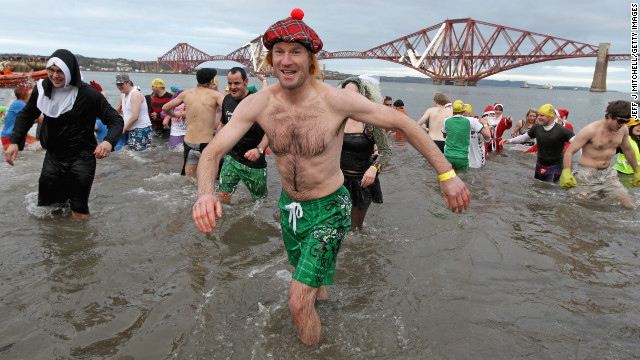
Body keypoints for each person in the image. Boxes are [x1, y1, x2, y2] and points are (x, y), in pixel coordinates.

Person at [191, 9, 470, 346]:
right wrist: (206, 193)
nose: (286, 59)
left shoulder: (337, 101)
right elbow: (212, 152)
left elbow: (404, 124)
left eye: (296, 51)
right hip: (290, 209)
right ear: (270, 58)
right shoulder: (258, 103)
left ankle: (312, 347)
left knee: (296, 300)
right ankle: (325, 316)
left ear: (311, 59)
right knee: (312, 287)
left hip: (330, 208)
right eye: (279, 52)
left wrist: (447, 174)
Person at [5, 49, 123, 219]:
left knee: (79, 213)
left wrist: (108, 142)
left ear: (70, 72)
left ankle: (81, 243)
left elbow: (115, 120)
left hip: (81, 158)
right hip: (53, 157)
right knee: (46, 210)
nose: (54, 76)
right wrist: (15, 142)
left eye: (60, 71)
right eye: (51, 71)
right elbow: (26, 115)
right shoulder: (42, 89)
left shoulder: (88, 94)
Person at [560, 101, 640, 209]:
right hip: (586, 175)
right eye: (620, 121)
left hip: (607, 174)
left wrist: (636, 170)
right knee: (578, 207)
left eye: (626, 122)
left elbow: (627, 149)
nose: (622, 125)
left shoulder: (623, 130)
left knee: (630, 205)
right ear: (610, 116)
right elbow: (570, 151)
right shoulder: (591, 130)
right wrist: (566, 172)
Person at [338, 76, 391, 229]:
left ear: (364, 96)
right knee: (334, 226)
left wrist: (374, 168)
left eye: (354, 94)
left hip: (360, 182)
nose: (349, 98)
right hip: (335, 181)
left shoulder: (371, 122)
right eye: (345, 94)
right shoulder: (338, 119)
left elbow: (385, 151)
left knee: (354, 229)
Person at [217, 67, 269, 203]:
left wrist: (259, 150)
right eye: (229, 83)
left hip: (254, 161)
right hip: (232, 158)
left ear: (245, 81)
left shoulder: (257, 102)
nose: (232, 87)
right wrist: (216, 146)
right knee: (222, 195)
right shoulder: (227, 100)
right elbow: (223, 124)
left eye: (236, 83)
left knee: (259, 201)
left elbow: (271, 132)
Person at [162, 68, 225, 177]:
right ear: (211, 82)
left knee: (189, 182)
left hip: (189, 144)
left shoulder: (186, 94)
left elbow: (165, 107)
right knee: (212, 179)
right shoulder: (216, 95)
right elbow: (231, 111)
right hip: (206, 144)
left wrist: (175, 115)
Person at [500, 104, 574, 182]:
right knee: (537, 189)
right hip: (539, 166)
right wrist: (510, 141)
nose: (538, 117)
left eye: (542, 115)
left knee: (549, 190)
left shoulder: (562, 130)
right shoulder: (537, 127)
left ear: (551, 116)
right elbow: (525, 137)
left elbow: (578, 143)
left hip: (554, 167)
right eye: (538, 115)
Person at [442, 100, 491, 170]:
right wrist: (485, 123)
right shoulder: (472, 121)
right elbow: (488, 135)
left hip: (448, 156)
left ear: (453, 112)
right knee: (464, 178)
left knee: (447, 178)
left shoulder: (446, 120)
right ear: (462, 112)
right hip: (462, 158)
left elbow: (444, 136)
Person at [117, 73, 152, 151]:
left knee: (139, 155)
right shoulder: (124, 95)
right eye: (117, 84)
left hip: (141, 129)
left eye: (121, 84)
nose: (119, 86)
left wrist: (123, 129)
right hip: (132, 129)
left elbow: (135, 116)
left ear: (128, 83)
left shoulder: (135, 94)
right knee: (132, 154)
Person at [464, 103, 489, 168]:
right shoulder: (459, 123)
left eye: (464, 112)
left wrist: (485, 126)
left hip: (477, 159)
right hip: (465, 158)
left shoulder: (477, 123)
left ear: (469, 113)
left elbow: (487, 139)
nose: (462, 114)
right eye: (461, 112)